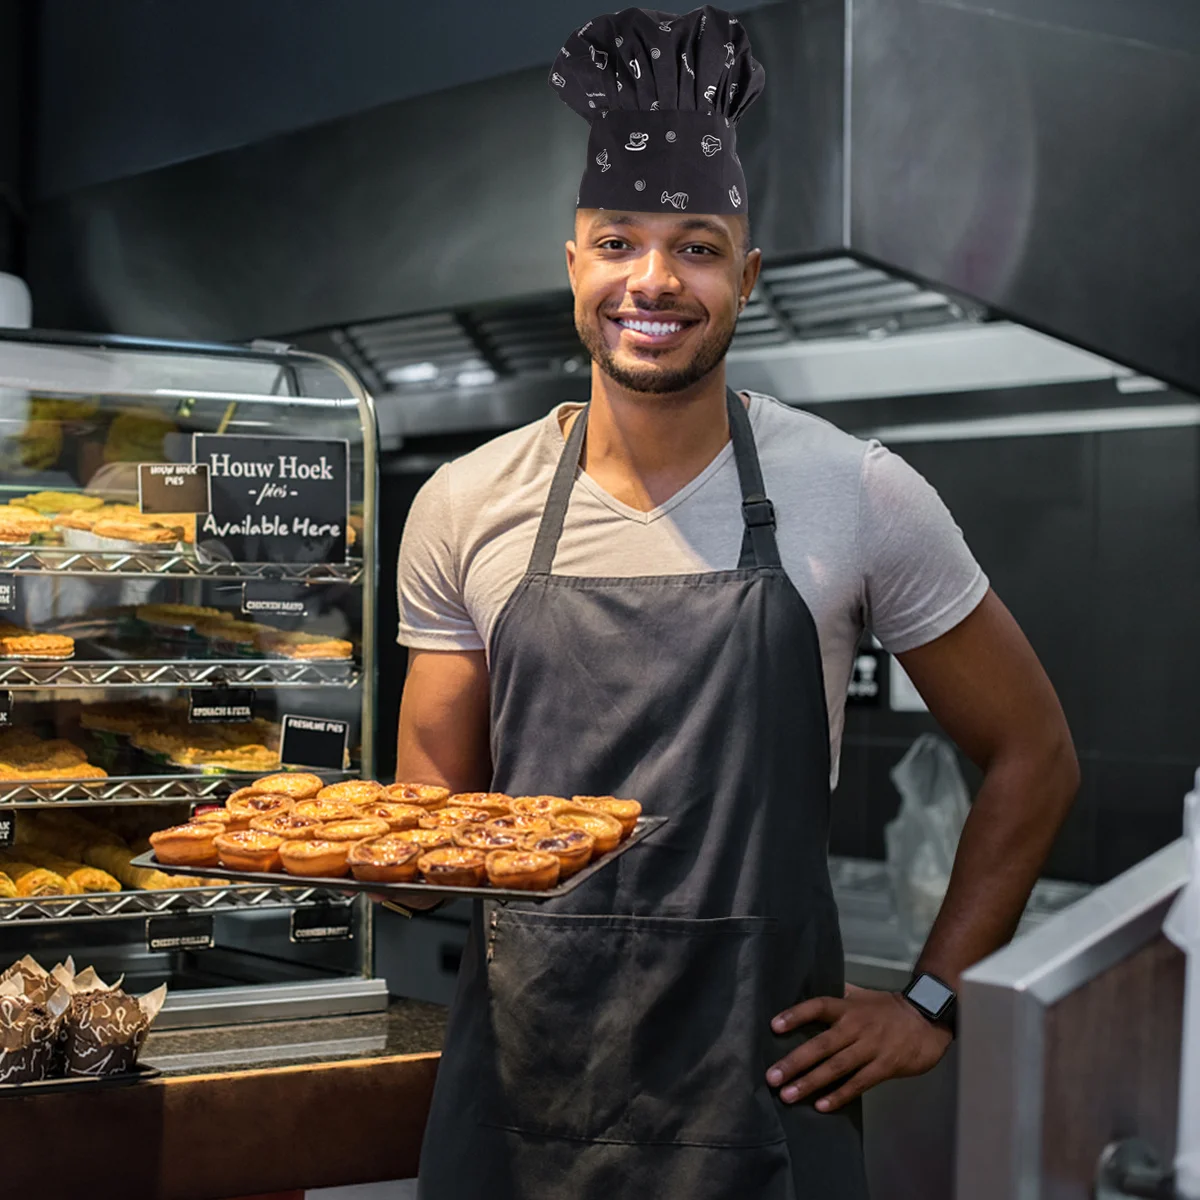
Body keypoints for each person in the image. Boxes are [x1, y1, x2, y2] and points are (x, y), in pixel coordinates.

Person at [396, 7, 1079, 1198]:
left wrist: (932, 1000)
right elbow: (431, 820)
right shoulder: (466, 505)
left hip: (759, 1105)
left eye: (697, 246)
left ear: (748, 276)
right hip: (519, 1101)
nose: (652, 280)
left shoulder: (859, 494)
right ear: (572, 265)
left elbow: (1036, 755)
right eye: (618, 241)